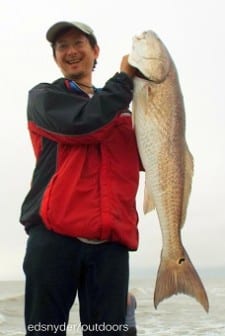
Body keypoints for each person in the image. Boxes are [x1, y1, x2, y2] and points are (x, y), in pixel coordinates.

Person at [20, 20, 141, 335]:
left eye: (79, 44)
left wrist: (156, 98)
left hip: (111, 244)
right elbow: (84, 124)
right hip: (53, 238)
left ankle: (123, 315)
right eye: (62, 46)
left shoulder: (123, 110)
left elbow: (152, 156)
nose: (71, 51)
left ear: (95, 51)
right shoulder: (45, 98)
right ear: (55, 57)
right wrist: (125, 79)